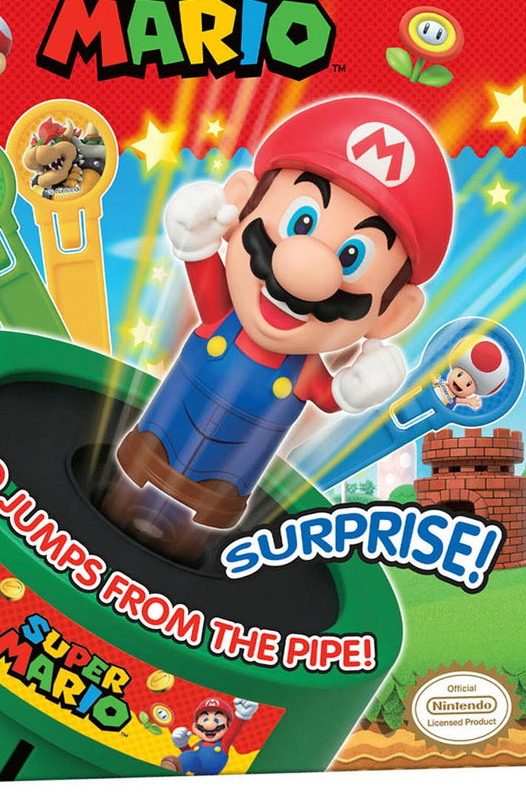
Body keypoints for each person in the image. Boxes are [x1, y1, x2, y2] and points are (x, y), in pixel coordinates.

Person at [118, 96, 454, 529]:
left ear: (392, 314)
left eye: (351, 256)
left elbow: (328, 396)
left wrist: (355, 389)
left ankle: (211, 502)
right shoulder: (225, 318)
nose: (305, 276)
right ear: (240, 208)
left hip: (226, 481)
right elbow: (202, 267)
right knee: (143, 461)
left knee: (205, 512)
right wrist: (195, 237)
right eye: (302, 222)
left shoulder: (304, 370)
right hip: (156, 438)